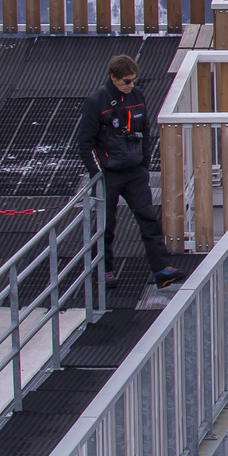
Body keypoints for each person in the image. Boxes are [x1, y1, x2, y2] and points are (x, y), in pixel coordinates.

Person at [80, 53, 178, 287]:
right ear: (113, 78)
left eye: (133, 80)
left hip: (135, 171)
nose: (131, 85)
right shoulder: (96, 102)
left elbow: (145, 130)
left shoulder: (137, 96)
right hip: (109, 174)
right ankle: (103, 270)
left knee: (148, 219)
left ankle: (161, 269)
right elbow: (85, 143)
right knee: (106, 224)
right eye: (126, 80)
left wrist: (144, 163)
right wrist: (98, 174)